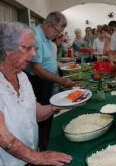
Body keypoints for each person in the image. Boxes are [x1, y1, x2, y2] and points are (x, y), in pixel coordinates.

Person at [0, 22, 72, 166]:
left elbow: (36, 113)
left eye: (34, 48)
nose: (34, 53)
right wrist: (38, 157)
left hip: (28, 157)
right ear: (7, 48)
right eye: (27, 48)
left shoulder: (22, 76)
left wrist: (59, 105)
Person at [24, 11, 74, 151]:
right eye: (57, 31)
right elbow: (37, 69)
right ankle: (39, 147)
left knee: (47, 115)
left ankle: (45, 142)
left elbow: (50, 62)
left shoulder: (47, 38)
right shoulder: (36, 37)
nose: (58, 35)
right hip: (37, 82)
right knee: (40, 116)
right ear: (48, 24)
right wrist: (60, 80)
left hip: (47, 81)